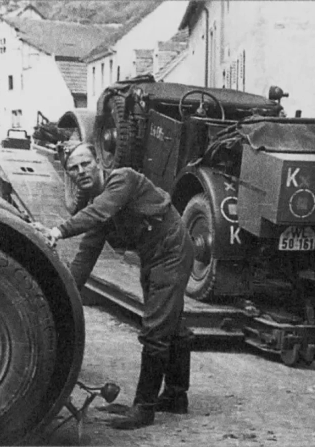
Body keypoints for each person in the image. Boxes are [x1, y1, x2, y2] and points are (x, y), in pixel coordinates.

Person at [40, 143, 193, 430]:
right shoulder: (98, 206)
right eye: (73, 169)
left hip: (172, 249)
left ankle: (144, 408)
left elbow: (99, 212)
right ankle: (176, 396)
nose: (80, 171)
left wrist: (58, 231)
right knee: (170, 323)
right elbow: (85, 257)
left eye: (85, 164)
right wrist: (62, 297)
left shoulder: (122, 179)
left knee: (156, 329)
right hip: (153, 255)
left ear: (98, 162)